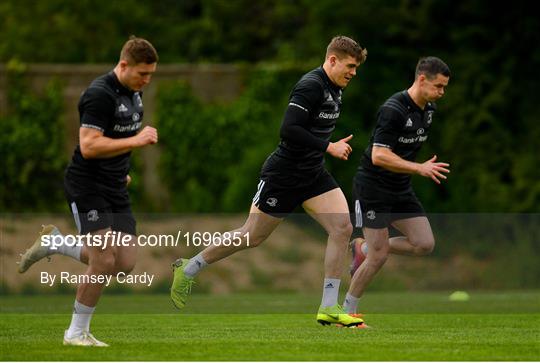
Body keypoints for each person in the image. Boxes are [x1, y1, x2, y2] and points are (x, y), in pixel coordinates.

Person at [170, 36, 368, 327]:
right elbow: (288, 129)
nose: (353, 72)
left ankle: (328, 306)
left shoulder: (335, 89)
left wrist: (326, 145)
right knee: (252, 236)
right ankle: (189, 268)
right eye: (350, 66)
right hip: (283, 175)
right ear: (332, 60)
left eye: (356, 68)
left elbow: (311, 131)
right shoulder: (311, 85)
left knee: (342, 227)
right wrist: (328, 147)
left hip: (312, 174)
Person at [17, 36, 159, 346]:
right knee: (103, 261)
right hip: (87, 185)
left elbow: (116, 140)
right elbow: (90, 145)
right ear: (123, 65)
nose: (146, 81)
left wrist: (122, 173)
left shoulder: (135, 95)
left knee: (124, 263)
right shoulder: (99, 94)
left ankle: (55, 242)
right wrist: (137, 141)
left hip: (113, 185)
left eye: (150, 75)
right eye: (142, 74)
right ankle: (75, 333)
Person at [343, 57, 451, 318]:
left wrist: (413, 170)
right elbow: (379, 156)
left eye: (444, 87)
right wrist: (419, 168)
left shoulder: (429, 110)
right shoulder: (394, 109)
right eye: (438, 86)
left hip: (399, 187)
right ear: (421, 79)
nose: (441, 92)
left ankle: (363, 248)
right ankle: (347, 313)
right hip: (373, 187)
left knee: (424, 244)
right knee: (380, 257)